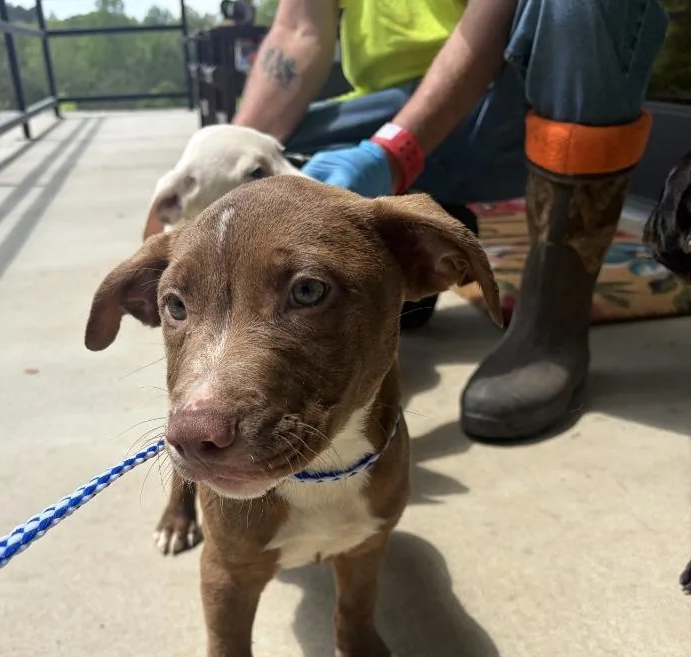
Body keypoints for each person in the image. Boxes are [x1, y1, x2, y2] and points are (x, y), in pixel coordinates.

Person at [225, 0, 667, 442]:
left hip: (511, 96)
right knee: (277, 157)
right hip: (391, 105)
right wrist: (228, 161)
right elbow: (299, 30)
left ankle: (554, 317)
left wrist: (394, 151)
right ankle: (413, 251)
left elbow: (488, 19)